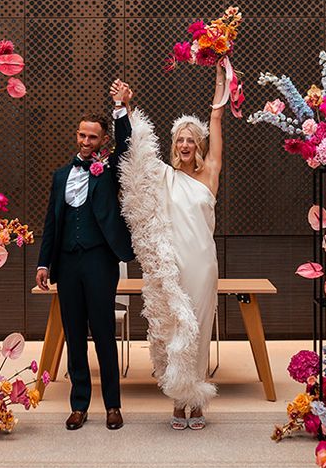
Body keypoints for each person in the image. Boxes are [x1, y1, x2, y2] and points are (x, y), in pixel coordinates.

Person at [119, 63, 225, 429]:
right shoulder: (164, 175)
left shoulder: (210, 173)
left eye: (190, 140)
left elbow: (216, 118)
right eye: (179, 139)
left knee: (199, 326)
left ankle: (197, 400)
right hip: (171, 261)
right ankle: (179, 401)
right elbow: (140, 152)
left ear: (198, 145)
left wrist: (221, 80)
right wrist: (128, 108)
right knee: (176, 327)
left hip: (203, 263)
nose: (183, 145)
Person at [36, 80, 134, 430]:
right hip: (67, 262)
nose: (85, 142)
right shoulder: (61, 175)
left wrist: (121, 108)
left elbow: (126, 147)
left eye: (92, 137)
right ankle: (79, 405)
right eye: (81, 136)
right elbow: (51, 221)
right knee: (74, 336)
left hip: (99, 261)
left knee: (104, 334)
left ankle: (113, 406)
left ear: (101, 140)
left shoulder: (109, 170)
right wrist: (44, 262)